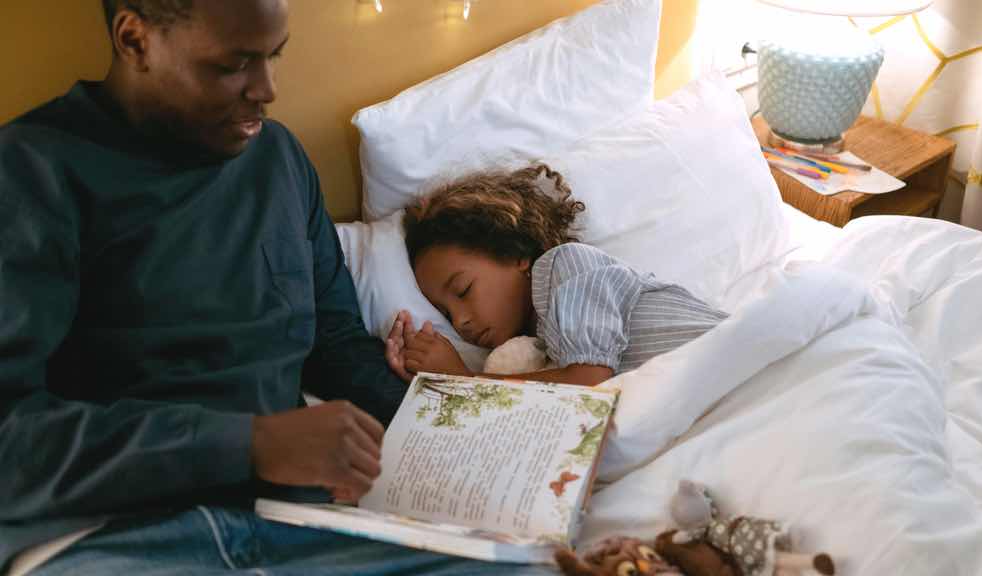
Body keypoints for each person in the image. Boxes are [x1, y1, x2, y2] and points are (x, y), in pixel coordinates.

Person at [0, 1, 551, 574]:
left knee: (535, 567)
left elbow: (333, 342)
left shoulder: (278, 158)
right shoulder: (32, 171)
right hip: (117, 534)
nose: (267, 89)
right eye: (235, 64)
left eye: (273, 56)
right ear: (134, 38)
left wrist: (475, 432)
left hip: (296, 522)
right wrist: (249, 443)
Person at [387, 163, 730, 387]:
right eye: (446, 313)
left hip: (732, 365)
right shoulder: (535, 353)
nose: (460, 321)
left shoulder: (566, 267)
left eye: (462, 291)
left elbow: (590, 381)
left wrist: (462, 378)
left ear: (515, 253)